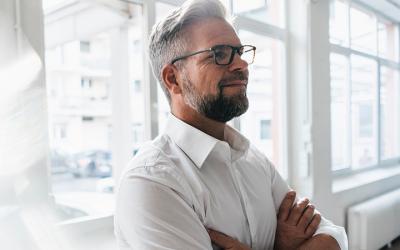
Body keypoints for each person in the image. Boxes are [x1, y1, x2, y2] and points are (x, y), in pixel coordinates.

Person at [114, 0, 348, 249]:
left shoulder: (252, 158)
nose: (242, 65)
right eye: (220, 54)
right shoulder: (153, 183)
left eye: (239, 52)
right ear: (174, 78)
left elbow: (333, 237)